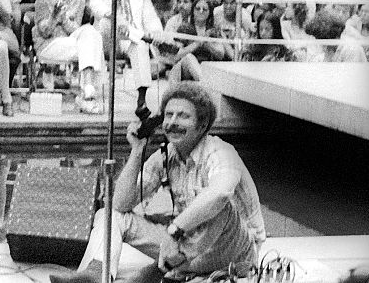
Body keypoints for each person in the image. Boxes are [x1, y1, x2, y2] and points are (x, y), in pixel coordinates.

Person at [51, 82, 265, 283]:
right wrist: (137, 150)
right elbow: (120, 204)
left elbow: (220, 193)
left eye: (183, 116)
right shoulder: (167, 154)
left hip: (236, 251)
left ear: (202, 126)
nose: (172, 123)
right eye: (169, 115)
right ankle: (96, 274)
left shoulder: (221, 152)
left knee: (219, 207)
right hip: (190, 246)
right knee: (110, 215)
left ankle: (158, 271)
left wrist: (174, 231)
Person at [90, 0, 167, 115]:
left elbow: (150, 18)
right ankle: (140, 37)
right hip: (106, 36)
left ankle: (141, 100)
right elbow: (97, 8)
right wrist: (119, 20)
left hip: (129, 38)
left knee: (139, 46)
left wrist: (156, 33)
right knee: (107, 22)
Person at [32, 0, 105, 113]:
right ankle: (88, 92)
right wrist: (54, 18)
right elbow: (44, 32)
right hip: (48, 45)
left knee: (91, 34)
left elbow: (75, 29)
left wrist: (63, 19)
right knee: (93, 42)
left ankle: (87, 93)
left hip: (73, 42)